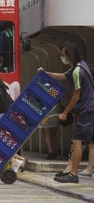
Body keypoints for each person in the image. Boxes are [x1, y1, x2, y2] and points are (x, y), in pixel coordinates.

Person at [39, 42, 94, 183]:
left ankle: (73, 174)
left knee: (77, 141)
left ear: (69, 55)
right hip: (89, 108)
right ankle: (71, 171)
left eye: (63, 55)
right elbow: (63, 76)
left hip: (87, 109)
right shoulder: (81, 65)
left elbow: (76, 95)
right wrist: (46, 73)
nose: (62, 58)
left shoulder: (77, 71)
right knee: (81, 141)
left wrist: (65, 112)